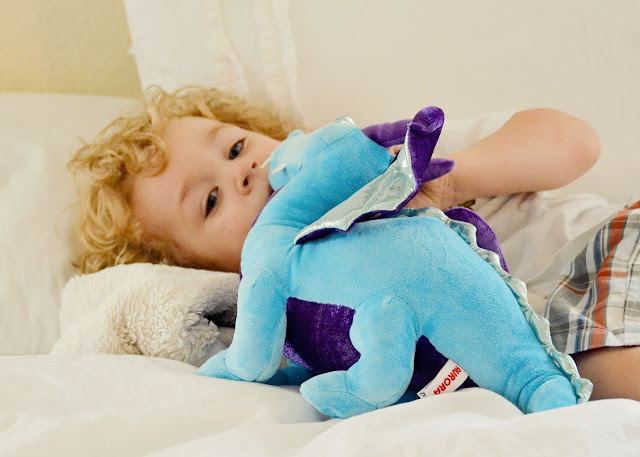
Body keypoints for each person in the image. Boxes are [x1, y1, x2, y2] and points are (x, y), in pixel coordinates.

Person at [67, 85, 639, 402]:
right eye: (210, 201)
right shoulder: (289, 308)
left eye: (236, 148)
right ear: (202, 268)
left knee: (593, 360)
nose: (241, 172)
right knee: (581, 372)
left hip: (601, 254)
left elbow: (575, 141)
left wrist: (454, 178)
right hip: (536, 350)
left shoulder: (382, 155)